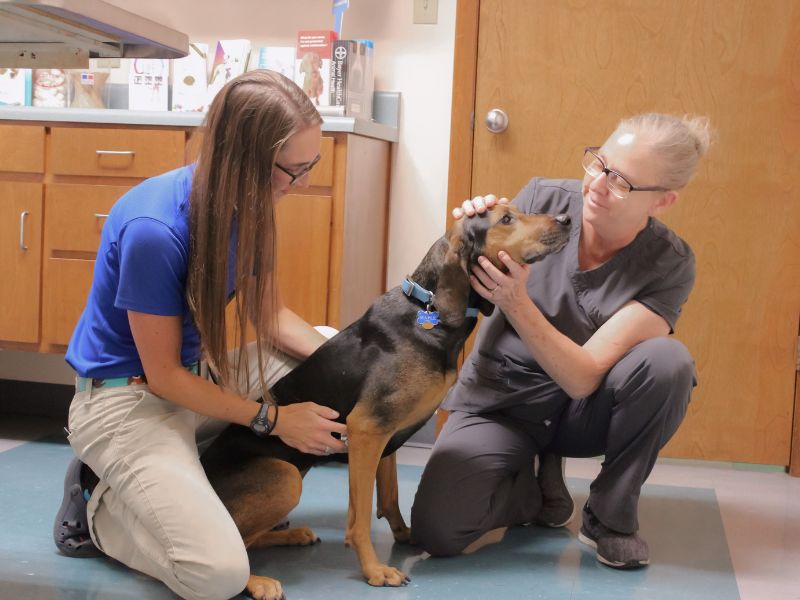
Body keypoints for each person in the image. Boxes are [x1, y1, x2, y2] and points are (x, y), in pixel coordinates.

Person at [53, 70, 348, 600]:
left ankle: (169, 490)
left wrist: (353, 361)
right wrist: (276, 420)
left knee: (329, 348)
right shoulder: (156, 230)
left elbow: (270, 314)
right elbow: (163, 377)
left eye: (312, 165)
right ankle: (100, 507)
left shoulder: (251, 205)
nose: (301, 183)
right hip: (128, 401)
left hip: (193, 383)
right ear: (245, 160)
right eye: (293, 170)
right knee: (216, 575)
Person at [411, 113, 712, 569]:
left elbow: (582, 377)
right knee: (438, 530)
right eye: (600, 164)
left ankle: (608, 516)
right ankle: (534, 488)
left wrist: (516, 302)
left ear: (664, 201)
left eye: (623, 182)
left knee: (668, 363)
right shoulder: (541, 199)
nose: (597, 185)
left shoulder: (669, 264)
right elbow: (452, 287)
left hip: (582, 410)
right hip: (503, 400)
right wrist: (467, 230)